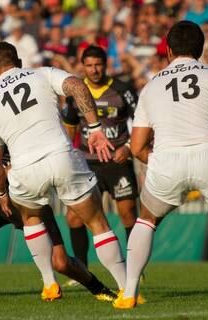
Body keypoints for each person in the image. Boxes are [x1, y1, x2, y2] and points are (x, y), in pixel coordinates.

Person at [0, 70, 116, 305]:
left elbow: (25, 162)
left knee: (60, 262)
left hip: (26, 194)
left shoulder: (3, 119)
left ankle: (99, 288)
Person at [113, 20, 208, 309]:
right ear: (201, 49)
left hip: (166, 160)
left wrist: (162, 160)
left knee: (146, 220)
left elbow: (137, 147)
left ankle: (128, 292)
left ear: (168, 50)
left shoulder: (151, 86)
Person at [0, 41, 126, 301]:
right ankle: (127, 289)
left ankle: (49, 284)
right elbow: (77, 86)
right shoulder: (41, 73)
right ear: (19, 62)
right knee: (97, 223)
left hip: (24, 168)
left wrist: (2, 194)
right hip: (60, 156)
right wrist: (94, 129)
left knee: (31, 218)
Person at [63, 45, 138, 271]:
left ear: (106, 65)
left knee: (127, 215)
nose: (94, 70)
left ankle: (135, 268)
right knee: (74, 218)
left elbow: (143, 121)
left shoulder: (122, 90)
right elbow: (70, 129)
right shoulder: (75, 92)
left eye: (98, 65)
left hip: (118, 161)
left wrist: (127, 147)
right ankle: (81, 270)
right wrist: (69, 157)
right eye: (89, 65)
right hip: (88, 163)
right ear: (82, 67)